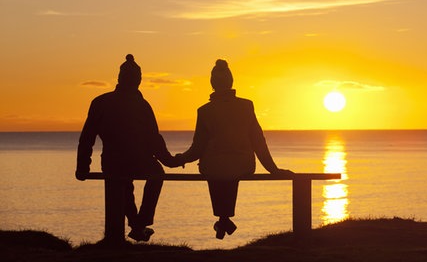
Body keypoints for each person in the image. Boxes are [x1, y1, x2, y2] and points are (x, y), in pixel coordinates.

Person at [176, 59, 293, 240]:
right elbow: (258, 141)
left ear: (212, 83)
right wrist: (273, 169)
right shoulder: (246, 105)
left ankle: (223, 218)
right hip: (243, 166)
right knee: (230, 168)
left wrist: (181, 159)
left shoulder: (205, 111)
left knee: (216, 167)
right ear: (231, 82)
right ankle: (224, 219)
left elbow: (197, 149)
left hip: (214, 167)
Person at [75, 54, 180, 246]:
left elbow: (87, 138)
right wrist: (170, 161)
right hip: (137, 160)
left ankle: (137, 225)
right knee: (155, 174)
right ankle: (140, 223)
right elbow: (155, 140)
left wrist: (83, 166)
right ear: (137, 80)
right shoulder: (141, 105)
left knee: (124, 183)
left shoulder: (101, 102)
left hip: (112, 161)